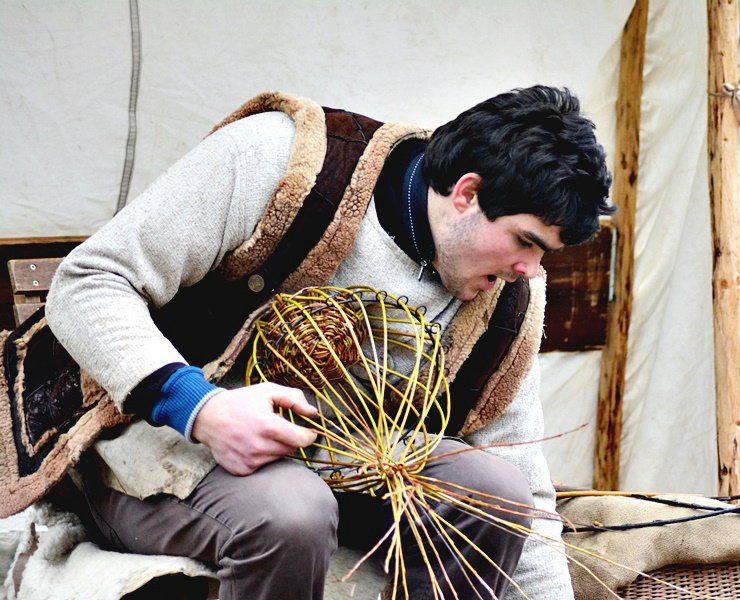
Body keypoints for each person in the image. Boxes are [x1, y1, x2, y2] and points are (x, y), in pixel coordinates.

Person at [45, 85, 613, 599]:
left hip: (340, 470)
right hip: (163, 449)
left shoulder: (508, 294)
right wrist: (200, 406)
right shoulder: (282, 163)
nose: (531, 270)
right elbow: (88, 281)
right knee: (291, 512)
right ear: (467, 192)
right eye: (524, 241)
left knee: (492, 490)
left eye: (545, 253)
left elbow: (525, 492)